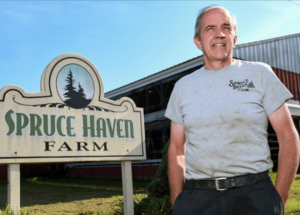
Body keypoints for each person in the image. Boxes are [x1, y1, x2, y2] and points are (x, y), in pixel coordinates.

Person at [165, 5, 300, 215]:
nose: (219, 33)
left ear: (234, 37)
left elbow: (288, 136)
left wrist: (277, 198)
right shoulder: (183, 87)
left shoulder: (259, 74)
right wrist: (178, 200)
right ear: (198, 41)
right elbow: (176, 149)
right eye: (210, 28)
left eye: (226, 27)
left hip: (255, 195)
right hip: (197, 199)